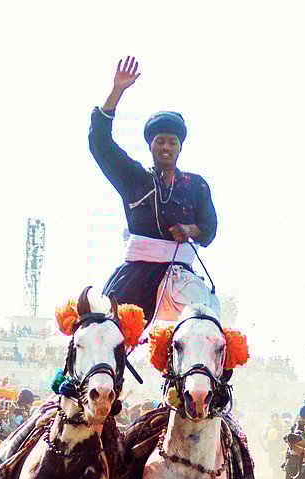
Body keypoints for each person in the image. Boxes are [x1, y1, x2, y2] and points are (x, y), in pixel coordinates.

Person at [89, 56, 218, 322]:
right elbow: (99, 142)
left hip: (180, 277)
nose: (166, 147)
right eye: (160, 141)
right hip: (134, 275)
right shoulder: (134, 178)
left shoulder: (196, 185)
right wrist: (117, 91)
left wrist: (190, 230)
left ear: (180, 146)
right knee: (101, 327)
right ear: (151, 145)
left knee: (205, 327)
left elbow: (210, 229)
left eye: (172, 141)